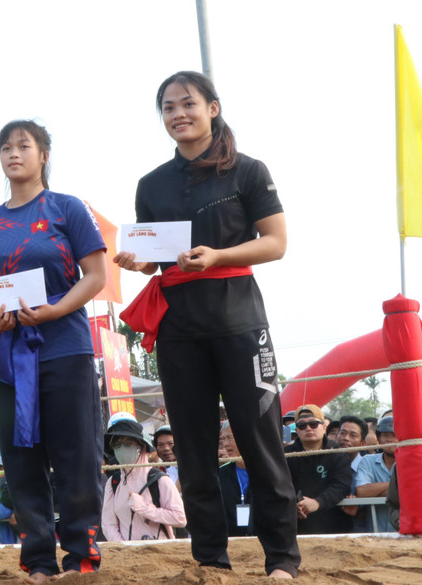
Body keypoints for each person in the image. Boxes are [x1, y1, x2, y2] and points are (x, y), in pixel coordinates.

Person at [115, 71, 299, 578]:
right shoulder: (151, 184)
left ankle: (282, 558)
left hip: (240, 320)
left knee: (260, 442)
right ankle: (210, 560)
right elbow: (157, 256)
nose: (179, 114)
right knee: (193, 449)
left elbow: (276, 242)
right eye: (169, 107)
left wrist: (217, 255)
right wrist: (138, 262)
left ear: (212, 108)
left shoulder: (248, 171)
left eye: (188, 104)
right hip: (179, 328)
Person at [0, 120, 106, 583]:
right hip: (7, 357)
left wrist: (55, 309)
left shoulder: (67, 209)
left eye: (24, 145)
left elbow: (96, 275)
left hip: (64, 349)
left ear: (44, 155)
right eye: (5, 147)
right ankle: (37, 561)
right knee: (22, 461)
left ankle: (82, 557)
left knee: (75, 456)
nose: (13, 153)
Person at [101, 415, 186, 542]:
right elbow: (108, 524)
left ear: (141, 447)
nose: (122, 448)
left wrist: (144, 508)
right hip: (125, 555)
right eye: (117, 444)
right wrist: (124, 547)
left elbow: (180, 518)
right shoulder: (113, 482)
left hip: (159, 553)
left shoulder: (159, 479)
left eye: (128, 444)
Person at [285, 405, 353, 534]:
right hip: (295, 526)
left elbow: (341, 485)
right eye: (302, 426)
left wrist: (317, 502)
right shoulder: (286, 454)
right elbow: (280, 484)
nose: (308, 428)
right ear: (297, 431)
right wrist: (293, 504)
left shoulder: (337, 453)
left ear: (324, 427)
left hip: (333, 527)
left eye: (313, 424)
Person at [354, 416, 397, 532]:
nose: (390, 439)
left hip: (405, 534)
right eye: (385, 435)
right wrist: (396, 486)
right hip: (374, 536)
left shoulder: (412, 462)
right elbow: (362, 492)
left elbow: (412, 491)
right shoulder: (367, 461)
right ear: (378, 438)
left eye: (395, 435)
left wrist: (375, 491)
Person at [218, 421, 253, 536]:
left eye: (229, 438)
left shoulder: (265, 472)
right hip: (232, 540)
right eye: (223, 439)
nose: (226, 444)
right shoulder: (221, 473)